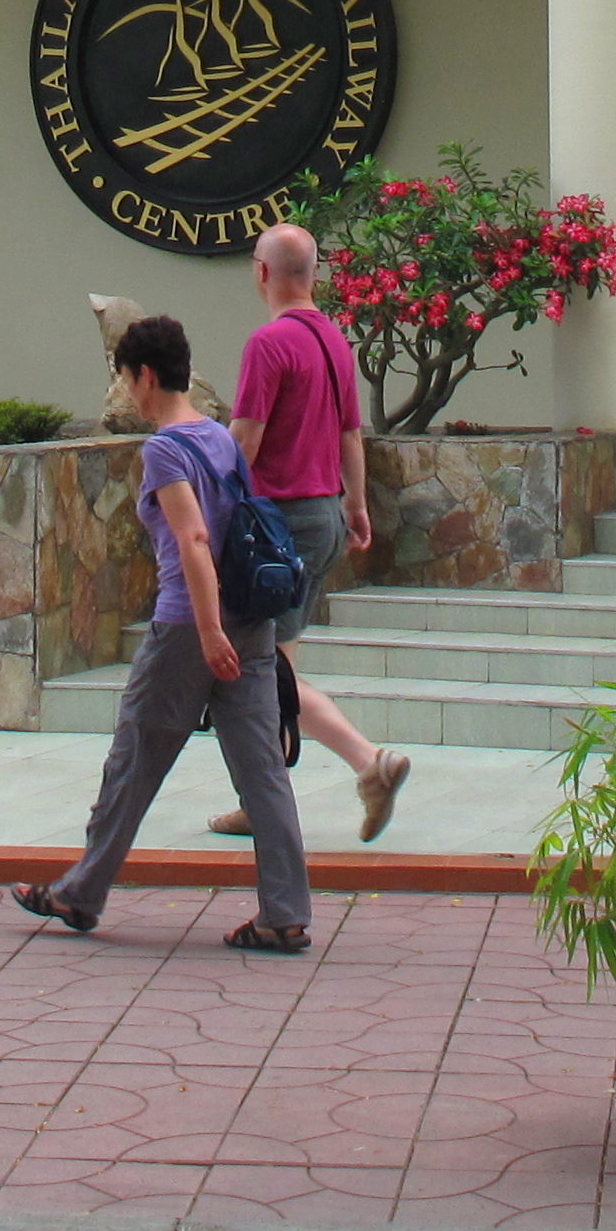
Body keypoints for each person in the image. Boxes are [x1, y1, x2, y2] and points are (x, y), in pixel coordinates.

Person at [12, 314, 309, 953]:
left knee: (135, 758)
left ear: (145, 375)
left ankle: (80, 892)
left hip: (187, 626)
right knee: (262, 771)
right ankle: (284, 913)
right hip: (253, 621)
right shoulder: (220, 439)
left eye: (124, 378)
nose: (124, 392)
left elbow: (194, 538)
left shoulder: (167, 450)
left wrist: (205, 632)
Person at [208, 220, 411, 844]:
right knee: (270, 666)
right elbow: (351, 434)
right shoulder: (333, 341)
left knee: (256, 671)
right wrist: (356, 508)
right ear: (314, 274)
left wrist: (206, 499)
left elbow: (247, 437)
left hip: (274, 529)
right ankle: (270, 794)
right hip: (321, 517)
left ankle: (361, 763)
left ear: (262, 272)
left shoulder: (268, 344)